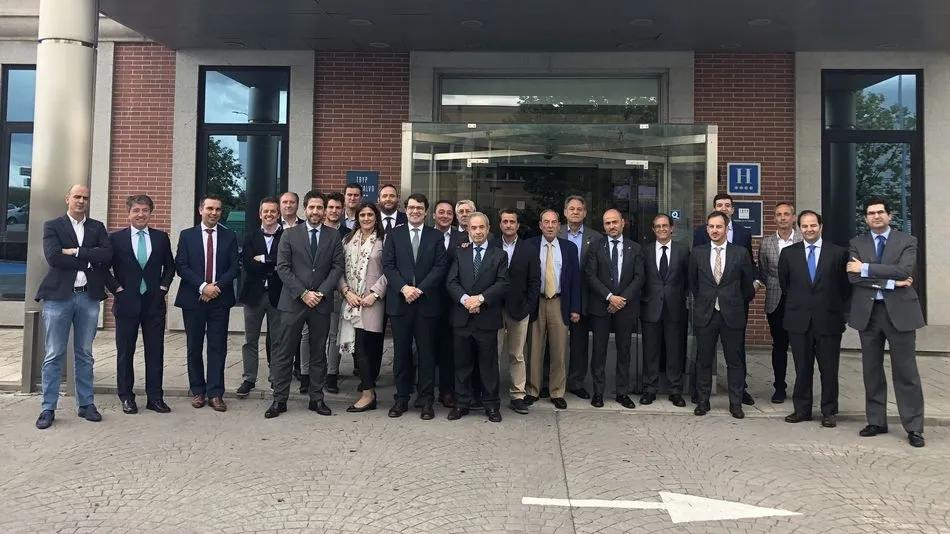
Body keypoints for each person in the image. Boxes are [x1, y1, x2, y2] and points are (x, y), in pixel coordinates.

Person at [846, 199, 926, 448]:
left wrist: (867, 268)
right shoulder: (856, 243)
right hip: (869, 314)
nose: (876, 216)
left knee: (906, 372)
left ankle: (914, 427)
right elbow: (853, 277)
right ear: (865, 218)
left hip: (900, 314)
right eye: (871, 213)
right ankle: (876, 421)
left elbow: (904, 271)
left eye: (880, 212)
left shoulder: (907, 241)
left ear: (889, 215)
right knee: (872, 371)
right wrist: (890, 282)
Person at [34, 185, 113, 430]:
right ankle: (48, 408)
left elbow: (107, 255)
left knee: (84, 354)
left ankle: (86, 404)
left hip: (87, 298)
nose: (81, 201)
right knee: (54, 353)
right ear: (67, 198)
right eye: (77, 196)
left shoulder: (97, 227)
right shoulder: (53, 225)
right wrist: (89, 262)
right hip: (59, 298)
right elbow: (54, 258)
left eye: (85, 197)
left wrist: (77, 252)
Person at [269, 190, 345, 418]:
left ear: (324, 210)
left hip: (320, 304)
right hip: (293, 302)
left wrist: (320, 293)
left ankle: (317, 398)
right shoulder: (290, 235)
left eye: (319, 208)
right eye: (311, 207)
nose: (315, 212)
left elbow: (337, 267)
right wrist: (303, 293)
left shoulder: (333, 236)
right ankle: (279, 400)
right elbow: (283, 268)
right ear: (305, 209)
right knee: (284, 352)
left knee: (318, 353)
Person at [779, 210, 850, 428]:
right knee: (802, 368)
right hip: (799, 320)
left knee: (829, 369)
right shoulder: (789, 254)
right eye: (805, 226)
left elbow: (844, 287)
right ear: (799, 228)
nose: (809, 230)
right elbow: (786, 285)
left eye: (813, 225)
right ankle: (802, 410)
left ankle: (829, 411)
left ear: (821, 226)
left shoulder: (838, 253)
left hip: (828, 320)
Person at [104, 194, 175, 415]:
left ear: (150, 213)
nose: (141, 214)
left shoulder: (161, 238)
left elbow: (170, 267)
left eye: (145, 210)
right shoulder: (116, 239)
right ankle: (126, 397)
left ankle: (155, 398)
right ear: (129, 213)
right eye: (136, 210)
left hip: (154, 303)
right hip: (127, 303)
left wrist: (163, 287)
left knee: (156, 352)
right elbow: (104, 268)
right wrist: (117, 289)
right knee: (125, 352)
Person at [381, 193, 448, 420]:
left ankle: (426, 399)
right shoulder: (393, 234)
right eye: (411, 207)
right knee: (401, 354)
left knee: (426, 354)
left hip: (427, 304)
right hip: (401, 303)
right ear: (406, 209)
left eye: (419, 208)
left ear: (426, 211)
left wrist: (419, 289)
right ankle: (401, 398)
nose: (415, 211)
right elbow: (388, 266)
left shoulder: (436, 236)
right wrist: (404, 288)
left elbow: (440, 267)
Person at [175, 194, 239, 412]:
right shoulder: (187, 236)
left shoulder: (230, 236)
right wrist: (203, 287)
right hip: (193, 299)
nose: (214, 213)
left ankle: (216, 393)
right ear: (200, 210)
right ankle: (198, 392)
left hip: (219, 300)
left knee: (217, 347)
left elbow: (234, 268)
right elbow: (181, 265)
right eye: (210, 208)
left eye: (218, 209)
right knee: (194, 346)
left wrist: (215, 288)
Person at [689, 211, 754, 419]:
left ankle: (735, 403)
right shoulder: (697, 252)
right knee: (704, 360)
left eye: (718, 227)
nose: (714, 230)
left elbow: (747, 286)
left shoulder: (740, 253)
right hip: (705, 313)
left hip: (732, 313)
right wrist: (706, 300)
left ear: (726, 228)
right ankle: (703, 401)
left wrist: (733, 301)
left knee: (734, 360)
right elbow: (693, 283)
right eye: (711, 227)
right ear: (707, 229)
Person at [445, 212, 510, 422]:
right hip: (462, 318)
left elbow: (502, 284)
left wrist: (480, 299)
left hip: (486, 318)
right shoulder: (459, 253)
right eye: (474, 228)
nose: (478, 231)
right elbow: (451, 282)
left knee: (488, 366)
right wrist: (466, 300)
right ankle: (461, 403)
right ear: (468, 230)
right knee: (462, 364)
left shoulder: (499, 255)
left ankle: (491, 405)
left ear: (488, 228)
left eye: (481, 227)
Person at [585, 209, 644, 409]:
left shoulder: (635, 248)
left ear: (622, 223)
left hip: (625, 308)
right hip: (602, 306)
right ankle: (598, 393)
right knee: (599, 351)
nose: (612, 226)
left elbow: (639, 277)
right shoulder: (595, 247)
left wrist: (622, 299)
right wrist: (610, 297)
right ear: (604, 226)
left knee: (624, 351)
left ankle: (622, 392)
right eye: (607, 223)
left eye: (615, 222)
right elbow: (590, 275)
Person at [525, 209, 581, 409]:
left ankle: (557, 391)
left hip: (559, 302)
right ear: (540, 225)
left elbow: (575, 279)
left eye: (554, 222)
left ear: (560, 225)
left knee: (559, 349)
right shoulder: (529, 245)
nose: (550, 226)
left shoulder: (569, 248)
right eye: (546, 222)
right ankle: (532, 390)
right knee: (534, 348)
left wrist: (575, 308)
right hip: (536, 302)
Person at [338, 201, 388, 413]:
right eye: (362, 215)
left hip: (372, 302)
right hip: (351, 300)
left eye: (370, 215)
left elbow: (391, 270)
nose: (366, 218)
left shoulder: (384, 240)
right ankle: (368, 392)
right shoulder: (347, 239)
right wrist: (346, 291)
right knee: (359, 350)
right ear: (357, 217)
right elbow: (338, 268)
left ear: (376, 216)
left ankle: (368, 391)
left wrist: (375, 294)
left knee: (369, 348)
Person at [491, 208, 540, 415]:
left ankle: (517, 395)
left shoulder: (528, 249)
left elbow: (534, 281)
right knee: (491, 353)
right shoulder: (491, 245)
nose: (509, 225)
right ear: (500, 224)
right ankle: (490, 394)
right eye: (505, 221)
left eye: (512, 221)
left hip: (519, 310)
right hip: (493, 309)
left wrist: (528, 306)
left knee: (517, 354)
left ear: (518, 225)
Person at [235, 197, 283, 399]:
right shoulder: (250, 236)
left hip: (278, 295)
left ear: (278, 214)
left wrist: (263, 259)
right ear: (260, 214)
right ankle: (249, 379)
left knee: (278, 340)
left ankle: (276, 379)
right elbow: (246, 263)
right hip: (254, 295)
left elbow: (284, 262)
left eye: (273, 212)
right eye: (266, 212)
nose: (269, 215)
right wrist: (270, 263)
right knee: (250, 340)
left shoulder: (287, 235)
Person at [640, 214, 690, 407]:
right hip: (650, 308)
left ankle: (675, 391)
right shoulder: (644, 251)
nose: (661, 229)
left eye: (665, 226)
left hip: (675, 309)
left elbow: (688, 279)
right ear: (653, 230)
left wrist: (679, 297)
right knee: (650, 352)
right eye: (657, 226)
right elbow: (641, 278)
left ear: (672, 228)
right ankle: (649, 389)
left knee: (674, 351)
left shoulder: (683, 251)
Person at [754, 202, 801, 404]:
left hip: (799, 300)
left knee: (801, 346)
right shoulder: (766, 243)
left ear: (793, 217)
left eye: (786, 214)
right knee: (779, 345)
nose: (782, 218)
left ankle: (802, 387)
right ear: (774, 218)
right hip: (775, 300)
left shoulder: (802, 239)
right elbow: (763, 270)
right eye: (779, 215)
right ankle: (779, 387)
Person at [559, 195, 601, 401]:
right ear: (565, 212)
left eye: (579, 209)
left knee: (579, 343)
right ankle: (550, 381)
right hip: (556, 297)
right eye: (571, 208)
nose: (575, 212)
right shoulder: (553, 232)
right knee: (553, 343)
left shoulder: (596, 237)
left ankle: (576, 382)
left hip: (583, 298)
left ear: (585, 213)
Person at [432, 199, 468, 407]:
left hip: (454, 302)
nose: (445, 216)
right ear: (434, 215)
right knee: (426, 346)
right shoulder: (426, 235)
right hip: (429, 299)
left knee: (450, 349)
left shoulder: (463, 238)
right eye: (441, 212)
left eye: (448, 213)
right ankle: (423, 388)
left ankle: (447, 391)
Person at [323, 191, 351, 393]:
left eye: (337, 208)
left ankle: (331, 373)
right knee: (310, 334)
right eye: (330, 207)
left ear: (343, 210)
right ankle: (309, 373)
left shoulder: (348, 234)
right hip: (312, 291)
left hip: (336, 291)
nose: (334, 211)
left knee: (334, 334)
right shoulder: (315, 230)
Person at [277, 190, 306, 383]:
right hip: (278, 291)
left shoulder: (305, 227)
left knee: (303, 336)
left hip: (304, 291)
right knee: (280, 338)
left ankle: (300, 369)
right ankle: (277, 376)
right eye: (284, 202)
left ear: (297, 205)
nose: (288, 205)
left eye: (292, 202)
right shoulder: (272, 226)